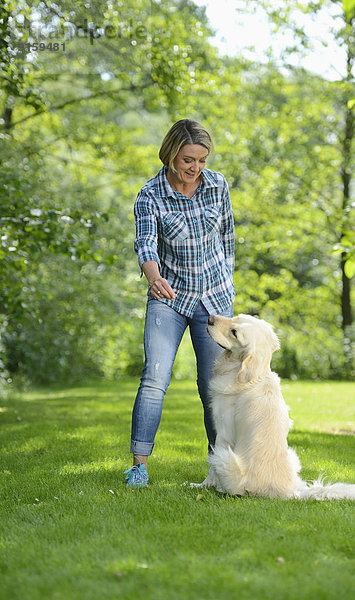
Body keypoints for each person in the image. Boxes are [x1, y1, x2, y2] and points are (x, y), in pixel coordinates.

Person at [124, 119, 235, 487]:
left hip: (213, 299)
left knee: (212, 385)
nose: (195, 168)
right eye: (189, 159)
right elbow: (145, 244)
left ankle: (220, 467)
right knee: (155, 378)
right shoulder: (150, 194)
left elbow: (227, 238)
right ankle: (138, 465)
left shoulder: (217, 185)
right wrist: (154, 277)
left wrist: (228, 290)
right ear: (171, 153)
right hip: (168, 298)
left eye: (202, 160)